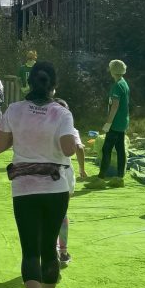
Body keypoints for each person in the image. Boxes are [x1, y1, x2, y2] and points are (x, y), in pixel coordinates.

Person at [0, 61, 77, 288]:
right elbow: (68, 149)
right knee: (49, 250)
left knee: (30, 251)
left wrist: (20, 135)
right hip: (55, 188)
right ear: (54, 85)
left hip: (24, 188)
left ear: (29, 83)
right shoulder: (61, 113)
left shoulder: (14, 110)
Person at [53, 97, 87, 266]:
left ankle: (51, 248)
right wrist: (82, 168)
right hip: (65, 172)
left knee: (47, 214)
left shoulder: (45, 128)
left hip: (47, 173)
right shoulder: (72, 130)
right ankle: (63, 251)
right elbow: (79, 148)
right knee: (62, 212)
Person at [99, 59, 130, 185]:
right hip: (123, 121)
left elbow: (115, 106)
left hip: (115, 123)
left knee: (106, 149)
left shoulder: (116, 86)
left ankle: (100, 179)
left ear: (112, 70)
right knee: (120, 149)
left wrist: (108, 123)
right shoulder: (124, 83)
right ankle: (119, 178)